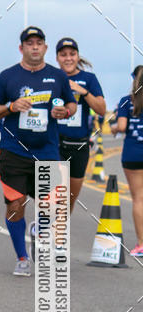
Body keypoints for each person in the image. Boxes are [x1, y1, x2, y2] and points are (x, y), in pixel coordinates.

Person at [0, 26, 76, 276]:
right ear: (21, 48)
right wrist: (12, 106)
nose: (34, 47)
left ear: (45, 48)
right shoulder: (7, 77)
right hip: (14, 152)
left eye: (39, 43)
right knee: (16, 205)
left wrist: (65, 112)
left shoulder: (58, 77)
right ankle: (22, 257)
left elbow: (71, 104)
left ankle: (39, 231)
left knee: (51, 208)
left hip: (47, 152)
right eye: (29, 43)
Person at [55, 38, 106, 213]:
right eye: (63, 55)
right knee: (53, 197)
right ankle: (44, 232)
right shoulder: (51, 77)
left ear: (77, 56)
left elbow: (101, 109)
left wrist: (82, 91)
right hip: (53, 145)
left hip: (78, 146)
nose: (68, 58)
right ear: (57, 58)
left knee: (69, 200)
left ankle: (58, 236)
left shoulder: (88, 79)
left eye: (72, 54)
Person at [114, 65, 143, 256]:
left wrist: (114, 128)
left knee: (138, 199)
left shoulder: (127, 101)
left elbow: (122, 127)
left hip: (132, 155)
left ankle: (141, 244)